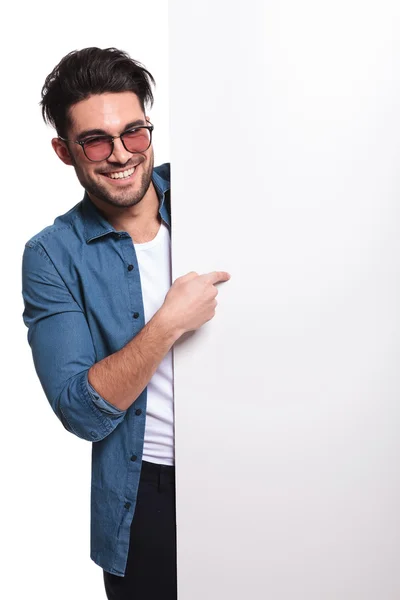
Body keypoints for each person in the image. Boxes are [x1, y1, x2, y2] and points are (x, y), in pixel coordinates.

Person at [21, 47, 230, 600]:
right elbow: (80, 411)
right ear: (65, 152)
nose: (121, 155)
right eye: (96, 141)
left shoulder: (215, 193)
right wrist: (166, 325)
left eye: (134, 132)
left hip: (250, 465)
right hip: (148, 496)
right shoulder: (51, 255)